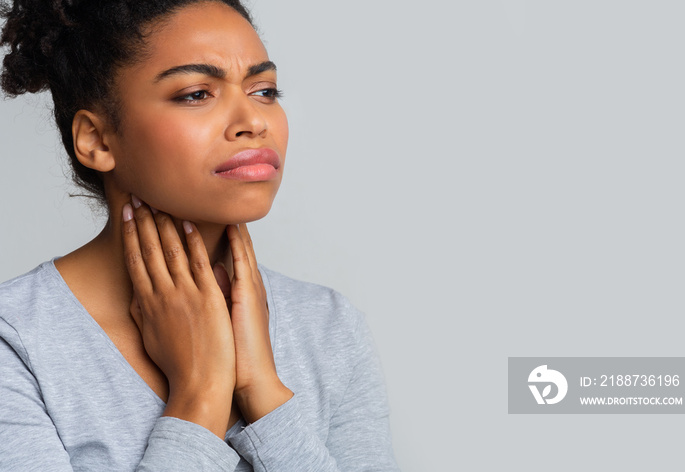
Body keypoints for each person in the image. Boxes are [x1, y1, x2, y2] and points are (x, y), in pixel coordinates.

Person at [0, 0, 399, 470]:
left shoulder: (329, 326)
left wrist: (263, 392)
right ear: (97, 139)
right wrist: (200, 394)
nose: (254, 121)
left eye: (265, 90)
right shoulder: (17, 343)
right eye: (195, 94)